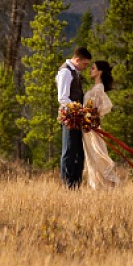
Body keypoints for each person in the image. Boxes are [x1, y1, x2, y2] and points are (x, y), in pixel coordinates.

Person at [82, 60, 122, 189]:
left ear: (100, 72)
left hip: (91, 129)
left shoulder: (98, 89)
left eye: (93, 68)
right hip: (88, 128)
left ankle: (107, 186)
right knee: (93, 156)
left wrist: (93, 115)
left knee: (97, 155)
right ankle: (100, 187)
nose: (90, 70)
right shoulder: (95, 88)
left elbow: (107, 105)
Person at [57, 47, 91, 188]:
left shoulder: (74, 72)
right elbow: (63, 98)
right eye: (85, 64)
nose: (86, 67)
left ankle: (76, 184)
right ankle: (68, 185)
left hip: (77, 118)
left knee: (78, 152)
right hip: (70, 118)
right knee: (69, 151)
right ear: (77, 60)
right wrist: (79, 110)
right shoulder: (65, 72)